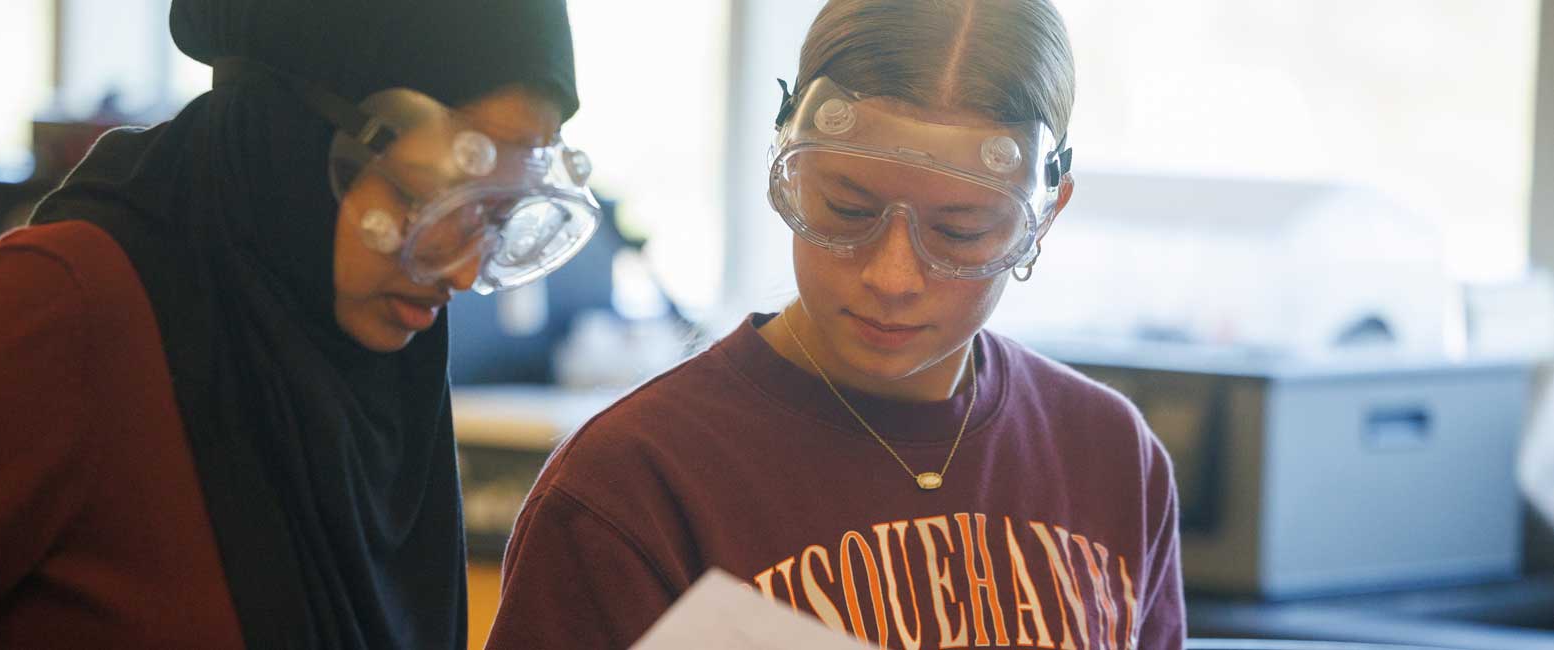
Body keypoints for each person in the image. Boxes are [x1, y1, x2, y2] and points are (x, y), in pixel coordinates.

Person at [0, 0, 594, 647]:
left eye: (494, 219)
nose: (462, 268)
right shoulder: (68, 309)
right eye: (425, 200)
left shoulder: (380, 364)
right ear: (297, 139)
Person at [485, 0, 1185, 648]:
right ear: (784, 172)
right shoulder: (633, 483)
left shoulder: (1108, 457)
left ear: (1043, 217)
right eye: (848, 211)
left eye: (959, 231)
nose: (891, 277)